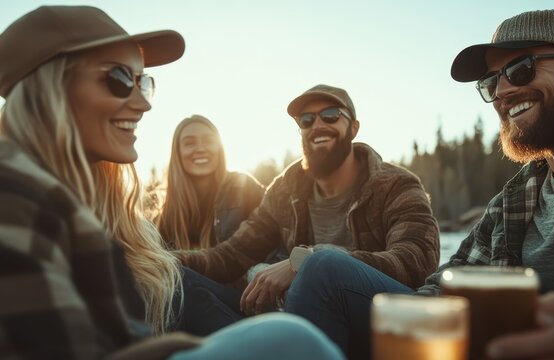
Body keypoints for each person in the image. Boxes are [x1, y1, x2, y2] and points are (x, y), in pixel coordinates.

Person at [283, 9, 554, 360]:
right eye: (490, 82)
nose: (501, 91)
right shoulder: (516, 198)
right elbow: (446, 286)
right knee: (322, 275)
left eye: (520, 69)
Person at [0, 6, 344, 360]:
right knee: (290, 341)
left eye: (143, 83)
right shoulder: (15, 196)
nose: (142, 104)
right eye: (119, 79)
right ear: (50, 89)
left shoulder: (86, 205)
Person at [175, 84, 440, 318]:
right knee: (176, 280)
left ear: (354, 128)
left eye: (330, 116)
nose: (317, 126)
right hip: (298, 313)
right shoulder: (285, 189)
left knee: (321, 267)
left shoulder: (396, 185)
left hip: (379, 314)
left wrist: (303, 262)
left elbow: (416, 261)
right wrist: (159, 259)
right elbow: (231, 255)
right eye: (306, 120)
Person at [157, 114, 285, 335]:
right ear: (177, 153)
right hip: (196, 303)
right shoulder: (167, 213)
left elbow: (279, 245)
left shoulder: (244, 187)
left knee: (178, 279)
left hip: (247, 301)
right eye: (189, 143)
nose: (200, 148)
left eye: (208, 140)